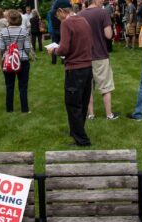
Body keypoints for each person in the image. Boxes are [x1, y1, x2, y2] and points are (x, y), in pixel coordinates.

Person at [47, 0, 93, 146]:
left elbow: (64, 49)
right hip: (87, 67)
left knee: (73, 105)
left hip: (74, 69)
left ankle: (82, 140)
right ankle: (76, 131)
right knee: (83, 103)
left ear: (61, 10)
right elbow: (89, 43)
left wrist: (53, 50)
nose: (56, 17)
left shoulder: (66, 23)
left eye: (56, 13)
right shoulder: (83, 20)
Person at [79, 0, 119, 120]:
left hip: (84, 56)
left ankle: (90, 114)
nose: (102, 1)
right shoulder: (102, 13)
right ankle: (109, 115)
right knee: (105, 86)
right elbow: (108, 35)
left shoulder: (80, 14)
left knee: (88, 87)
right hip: (100, 54)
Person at [0, 10, 31, 113]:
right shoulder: (24, 32)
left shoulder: (3, 32)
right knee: (23, 86)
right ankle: (24, 109)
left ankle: (9, 109)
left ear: (8, 19)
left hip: (7, 60)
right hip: (23, 59)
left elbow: (2, 48)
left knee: (9, 85)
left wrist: (7, 53)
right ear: (20, 20)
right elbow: (27, 48)